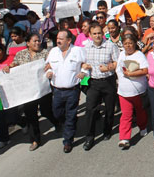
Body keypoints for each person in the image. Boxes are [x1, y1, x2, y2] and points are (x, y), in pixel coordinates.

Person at [9, 33, 59, 151]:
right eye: (35, 41)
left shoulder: (45, 53)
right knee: (31, 116)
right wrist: (9, 67)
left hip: (42, 89)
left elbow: (53, 64)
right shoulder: (20, 55)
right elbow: (14, 65)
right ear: (28, 43)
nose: (38, 43)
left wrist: (50, 67)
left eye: (38, 41)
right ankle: (35, 139)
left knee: (46, 111)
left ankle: (56, 122)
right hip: (28, 91)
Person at [45, 29, 86, 153]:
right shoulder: (53, 52)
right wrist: (48, 72)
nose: (58, 40)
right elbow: (47, 66)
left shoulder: (78, 51)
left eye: (61, 39)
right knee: (57, 113)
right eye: (57, 38)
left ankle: (68, 140)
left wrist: (84, 73)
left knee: (71, 114)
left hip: (72, 90)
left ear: (69, 40)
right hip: (57, 90)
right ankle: (69, 124)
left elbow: (86, 64)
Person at [81, 22, 119, 151]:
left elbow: (116, 63)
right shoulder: (86, 47)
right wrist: (84, 69)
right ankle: (89, 137)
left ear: (103, 34)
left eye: (99, 33)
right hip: (93, 82)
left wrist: (109, 67)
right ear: (90, 35)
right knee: (90, 109)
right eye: (94, 33)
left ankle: (107, 130)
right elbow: (83, 64)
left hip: (108, 81)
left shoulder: (110, 46)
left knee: (109, 109)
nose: (97, 36)